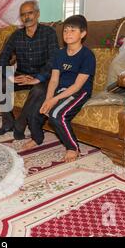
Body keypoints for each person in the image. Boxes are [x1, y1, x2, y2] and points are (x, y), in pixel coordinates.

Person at [0, 0, 59, 148]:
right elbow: (2, 58)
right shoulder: (16, 35)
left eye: (30, 13)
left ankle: (20, 124)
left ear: (37, 14)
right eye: (23, 15)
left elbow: (54, 60)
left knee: (39, 90)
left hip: (42, 77)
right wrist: (12, 77)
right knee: (2, 83)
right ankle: (8, 123)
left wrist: (38, 78)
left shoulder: (49, 33)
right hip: (22, 75)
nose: (26, 17)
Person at [39, 15, 96, 163]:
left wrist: (54, 100)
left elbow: (77, 85)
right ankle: (36, 138)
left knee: (57, 114)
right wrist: (48, 99)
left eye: (73, 30)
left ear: (83, 34)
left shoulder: (87, 55)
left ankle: (72, 147)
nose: (68, 34)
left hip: (80, 91)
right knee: (42, 107)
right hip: (61, 89)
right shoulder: (59, 53)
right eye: (65, 31)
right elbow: (54, 79)